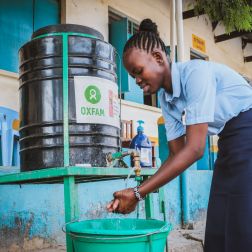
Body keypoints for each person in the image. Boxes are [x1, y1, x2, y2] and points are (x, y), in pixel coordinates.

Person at [106, 18, 252, 251]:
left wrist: (137, 193)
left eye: (138, 71)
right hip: (229, 139)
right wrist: (139, 191)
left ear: (157, 57)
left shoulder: (195, 74)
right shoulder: (166, 99)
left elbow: (195, 149)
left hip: (248, 128)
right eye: (133, 76)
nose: (137, 80)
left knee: (242, 220)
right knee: (219, 219)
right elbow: (176, 155)